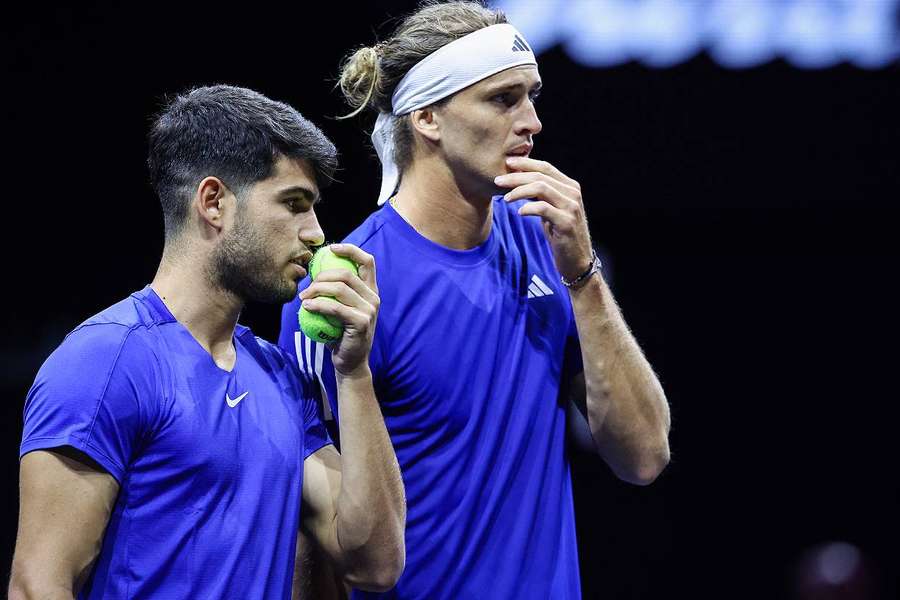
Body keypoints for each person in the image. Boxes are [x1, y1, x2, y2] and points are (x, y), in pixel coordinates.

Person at [280, 1, 671, 597]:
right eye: (502, 99)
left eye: (531, 96)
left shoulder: (547, 246)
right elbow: (320, 541)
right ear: (429, 117)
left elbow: (643, 456)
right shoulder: (344, 290)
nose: (532, 121)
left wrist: (585, 276)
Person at [9, 85, 405, 600]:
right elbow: (38, 586)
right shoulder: (104, 362)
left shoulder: (283, 377)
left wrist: (353, 372)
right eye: (294, 204)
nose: (316, 233)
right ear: (214, 202)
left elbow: (374, 565)